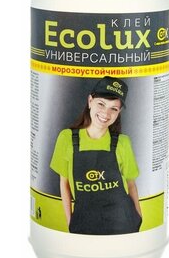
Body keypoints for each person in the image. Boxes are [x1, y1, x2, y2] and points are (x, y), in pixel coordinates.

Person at [50, 76, 142, 235]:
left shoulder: (122, 142)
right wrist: (70, 222)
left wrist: (138, 218)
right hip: (84, 224)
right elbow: (64, 184)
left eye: (114, 108)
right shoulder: (67, 138)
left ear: (118, 112)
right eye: (101, 104)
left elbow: (131, 184)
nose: (106, 113)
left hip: (123, 224)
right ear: (90, 101)